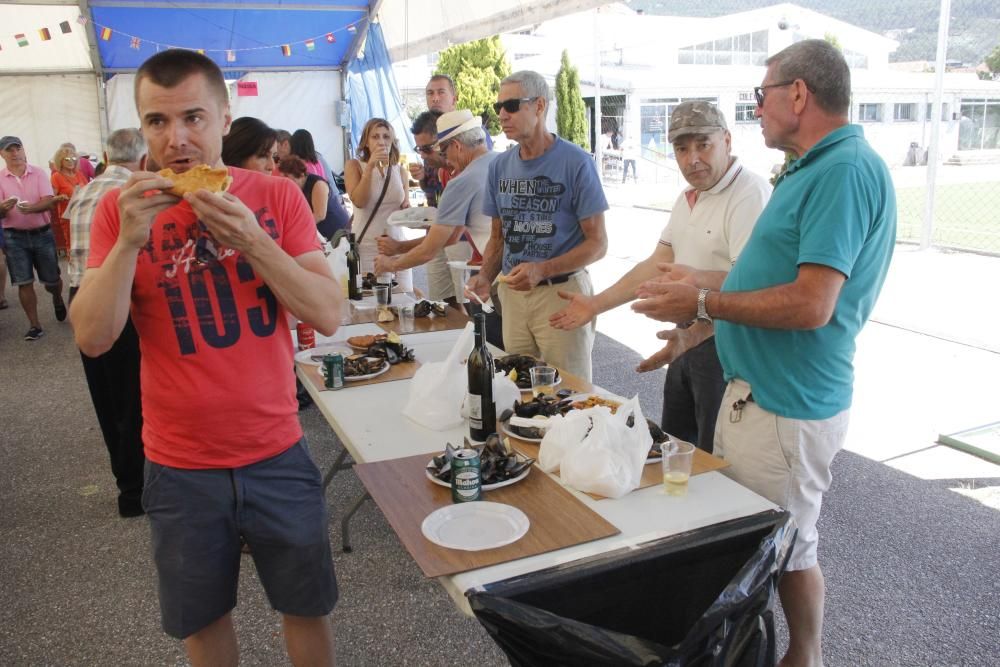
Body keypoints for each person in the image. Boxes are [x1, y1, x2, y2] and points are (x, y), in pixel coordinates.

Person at [69, 49, 340, 665]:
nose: (177, 138)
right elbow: (92, 337)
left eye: (193, 117)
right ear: (143, 128)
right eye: (158, 122)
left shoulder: (276, 197)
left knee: (305, 607)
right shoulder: (121, 209)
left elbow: (327, 312)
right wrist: (129, 244)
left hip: (276, 449)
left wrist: (251, 238)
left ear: (224, 117)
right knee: (203, 617)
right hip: (178, 463)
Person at [632, 39, 896, 666]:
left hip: (786, 403)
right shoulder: (813, 167)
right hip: (759, 396)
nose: (759, 110)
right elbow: (765, 277)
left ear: (798, 94)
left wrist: (703, 307)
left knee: (785, 547)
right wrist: (701, 285)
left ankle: (800, 657)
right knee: (774, 543)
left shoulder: (844, 171)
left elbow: (812, 304)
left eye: (763, 95)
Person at [551, 101, 770, 452]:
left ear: (728, 140)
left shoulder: (749, 194)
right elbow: (658, 262)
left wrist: (697, 331)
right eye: (682, 149)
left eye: (703, 145)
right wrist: (595, 304)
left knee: (715, 462)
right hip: (687, 339)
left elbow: (750, 287)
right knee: (676, 449)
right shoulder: (689, 197)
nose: (692, 158)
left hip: (726, 348)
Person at [467, 70, 608, 381]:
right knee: (517, 387)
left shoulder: (576, 163)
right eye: (498, 107)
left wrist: (542, 269)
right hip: (513, 297)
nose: (502, 114)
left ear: (540, 105)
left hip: (561, 294)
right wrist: (485, 275)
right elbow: (498, 236)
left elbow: (598, 244)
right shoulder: (500, 166)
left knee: (570, 392)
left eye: (512, 105)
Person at [65, 128, 148, 518]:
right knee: (132, 399)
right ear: (143, 158)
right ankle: (137, 490)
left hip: (81, 293)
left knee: (106, 399)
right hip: (116, 295)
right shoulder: (132, 192)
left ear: (104, 155)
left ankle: (126, 487)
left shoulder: (85, 189)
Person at [374, 110, 502, 345]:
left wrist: (391, 263)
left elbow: (431, 249)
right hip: (511, 275)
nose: (445, 160)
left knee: (495, 354)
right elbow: (451, 238)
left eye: (444, 152)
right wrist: (400, 247)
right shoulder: (502, 162)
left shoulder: (461, 181)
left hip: (495, 280)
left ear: (457, 146)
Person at [0, 135, 69, 341]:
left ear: (23, 150)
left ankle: (57, 298)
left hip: (42, 233)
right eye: (9, 150)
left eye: (17, 149)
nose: (14, 153)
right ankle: (34, 325)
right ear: (2, 154)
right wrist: (2, 209)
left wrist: (31, 209)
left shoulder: (38, 172)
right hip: (14, 236)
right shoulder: (0, 178)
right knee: (23, 282)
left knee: (52, 279)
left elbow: (49, 201)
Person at [344, 117, 412, 292]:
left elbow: (405, 207)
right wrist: (370, 168)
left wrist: (411, 212)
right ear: (366, 141)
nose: (381, 141)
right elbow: (359, 201)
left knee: (404, 302)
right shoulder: (355, 166)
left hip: (397, 246)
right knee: (371, 306)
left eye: (386, 137)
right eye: (375, 137)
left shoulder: (400, 170)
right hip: (366, 247)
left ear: (393, 142)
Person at [277, 156, 350, 240]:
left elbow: (319, 215)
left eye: (288, 178)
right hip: (323, 235)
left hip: (338, 232)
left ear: (301, 175)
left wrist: (295, 229)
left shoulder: (318, 184)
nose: (286, 184)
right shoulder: (295, 189)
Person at [51, 143, 88, 254]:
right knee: (72, 245)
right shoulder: (56, 176)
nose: (71, 161)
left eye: (73, 158)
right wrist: (60, 197)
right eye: (67, 159)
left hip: (83, 213)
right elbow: (51, 198)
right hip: (68, 216)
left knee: (86, 243)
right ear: (60, 161)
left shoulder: (79, 174)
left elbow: (88, 189)